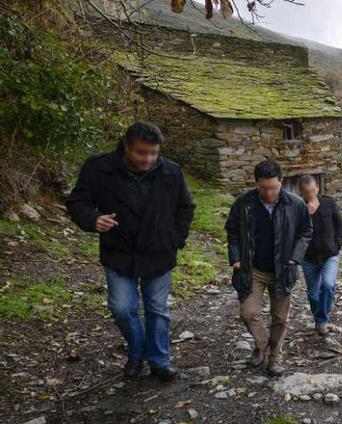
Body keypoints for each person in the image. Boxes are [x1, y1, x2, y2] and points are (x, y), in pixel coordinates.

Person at [66, 121, 194, 381]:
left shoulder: (171, 172)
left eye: (153, 153)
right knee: (121, 308)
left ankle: (159, 361)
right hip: (119, 252)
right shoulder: (98, 168)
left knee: (157, 310)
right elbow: (78, 201)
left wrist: (175, 239)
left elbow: (186, 208)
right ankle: (137, 350)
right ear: (126, 146)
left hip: (159, 252)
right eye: (141, 152)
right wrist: (92, 219)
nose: (148, 158)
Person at [225, 159, 312, 377]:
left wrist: (294, 258)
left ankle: (275, 356)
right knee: (248, 312)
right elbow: (233, 231)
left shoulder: (296, 204)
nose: (269, 192)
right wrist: (235, 257)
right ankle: (262, 344)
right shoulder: (243, 203)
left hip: (283, 268)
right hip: (252, 269)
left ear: (281, 182)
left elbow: (305, 232)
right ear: (256, 183)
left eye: (273, 187)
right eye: (264, 188)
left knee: (280, 318)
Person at [298, 175, 342, 336]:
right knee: (312, 294)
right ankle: (320, 321)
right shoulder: (299, 208)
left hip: (329, 255)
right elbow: (294, 232)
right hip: (309, 258)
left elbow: (339, 224)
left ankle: (322, 320)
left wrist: (338, 244)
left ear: (317, 187)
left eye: (312, 190)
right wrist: (307, 215)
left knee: (328, 285)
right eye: (307, 192)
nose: (310, 195)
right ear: (301, 192)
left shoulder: (329, 202)